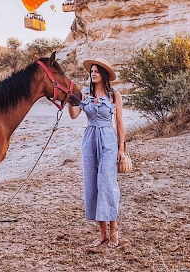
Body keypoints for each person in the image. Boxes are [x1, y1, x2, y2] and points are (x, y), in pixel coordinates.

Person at [68, 58, 125, 248]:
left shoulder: (114, 94)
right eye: (91, 71)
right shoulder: (84, 93)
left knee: (107, 184)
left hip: (108, 139)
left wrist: (121, 148)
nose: (93, 74)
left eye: (97, 71)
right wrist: (71, 99)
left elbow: (119, 123)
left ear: (104, 75)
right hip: (90, 138)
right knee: (92, 184)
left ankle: (114, 231)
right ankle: (102, 234)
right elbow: (74, 115)